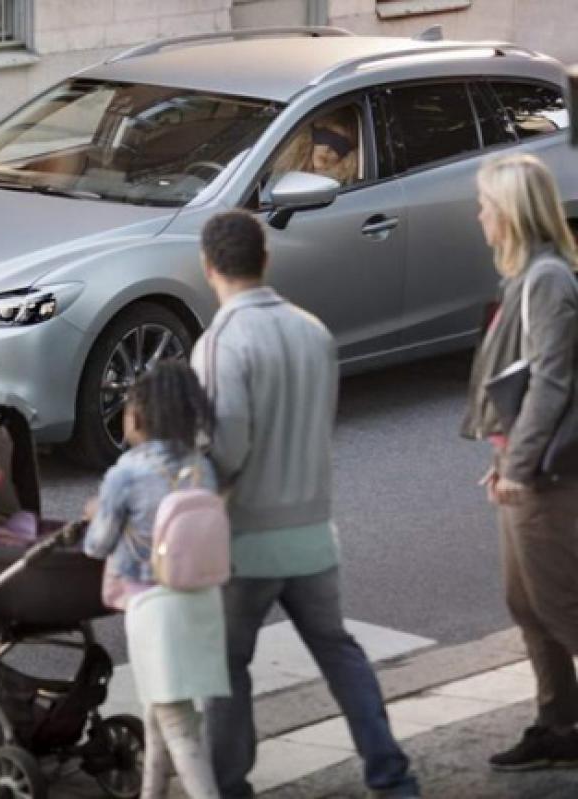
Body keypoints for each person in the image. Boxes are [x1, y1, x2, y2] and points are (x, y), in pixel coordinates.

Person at [192, 210, 419, 799]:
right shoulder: (313, 331)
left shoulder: (220, 343)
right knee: (339, 651)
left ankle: (229, 784)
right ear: (264, 259)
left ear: (208, 264)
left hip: (248, 538)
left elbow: (228, 444)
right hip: (314, 531)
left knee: (226, 665)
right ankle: (390, 774)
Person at [461, 152, 578, 771]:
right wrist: (503, 456)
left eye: (485, 206)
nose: (479, 216)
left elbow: (552, 384)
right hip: (526, 467)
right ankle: (559, 725)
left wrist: (520, 466)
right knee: (529, 605)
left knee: (561, 606)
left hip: (550, 478)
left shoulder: (547, 279)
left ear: (508, 214)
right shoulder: (527, 275)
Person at [82, 360, 228, 799]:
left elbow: (97, 545)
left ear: (139, 415)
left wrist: (94, 515)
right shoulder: (201, 467)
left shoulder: (127, 472)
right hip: (201, 600)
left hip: (152, 607)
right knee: (161, 709)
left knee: (179, 726)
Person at [271, 105, 360, 186]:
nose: (328, 149)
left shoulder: (346, 190)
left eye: (339, 144)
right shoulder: (281, 176)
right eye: (325, 136)